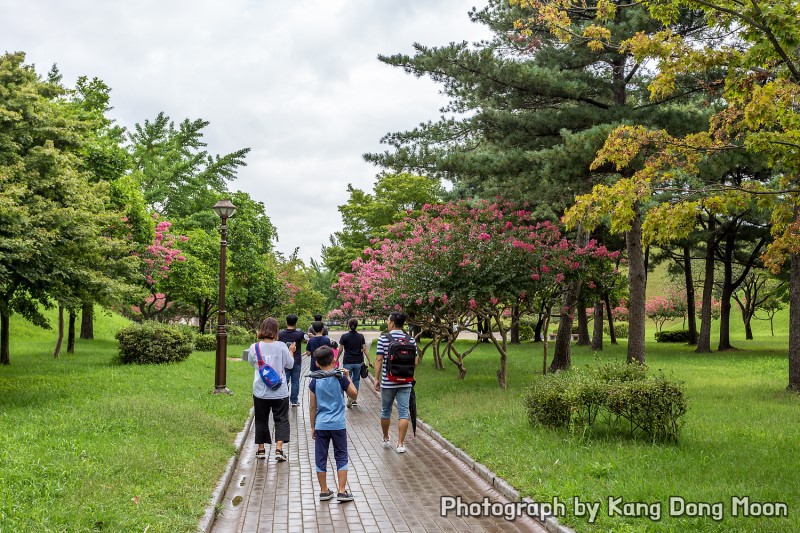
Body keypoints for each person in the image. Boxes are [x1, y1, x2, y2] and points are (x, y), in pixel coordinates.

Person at [308, 345, 358, 502]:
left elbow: (312, 407)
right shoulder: (340, 377)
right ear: (334, 359)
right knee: (341, 456)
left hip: (321, 425)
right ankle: (342, 491)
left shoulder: (314, 381)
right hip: (338, 424)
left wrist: (312, 426)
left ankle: (324, 491)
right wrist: (348, 377)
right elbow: (354, 395)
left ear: (317, 363)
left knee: (320, 457)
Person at [247, 317, 295, 462]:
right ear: (276, 330)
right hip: (280, 391)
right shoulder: (281, 346)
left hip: (260, 390)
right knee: (281, 419)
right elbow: (290, 365)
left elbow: (251, 363)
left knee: (261, 419)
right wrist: (291, 351)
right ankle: (279, 449)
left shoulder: (254, 347)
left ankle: (261, 450)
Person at [374, 312, 417, 453]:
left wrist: (376, 378)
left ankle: (386, 439)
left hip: (388, 382)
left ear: (392, 323)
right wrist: (407, 373)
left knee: (386, 410)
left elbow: (379, 360)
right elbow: (415, 362)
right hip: (405, 382)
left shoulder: (383, 339)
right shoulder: (411, 340)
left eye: (387, 320)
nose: (387, 322)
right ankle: (400, 444)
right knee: (404, 413)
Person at [339, 318, 372, 408]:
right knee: (356, 381)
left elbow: (340, 349)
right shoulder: (360, 336)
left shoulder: (344, 336)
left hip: (347, 362)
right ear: (357, 325)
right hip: (358, 362)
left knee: (346, 379)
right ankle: (353, 399)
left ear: (349, 325)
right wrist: (370, 361)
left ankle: (349, 396)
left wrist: (336, 359)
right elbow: (365, 349)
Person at [278, 314, 305, 407]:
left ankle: (283, 399)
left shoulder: (280, 334)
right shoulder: (300, 334)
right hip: (296, 361)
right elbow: (308, 337)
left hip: (284, 362)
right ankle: (294, 400)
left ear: (286, 322)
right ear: (296, 323)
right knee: (295, 381)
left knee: (285, 381)